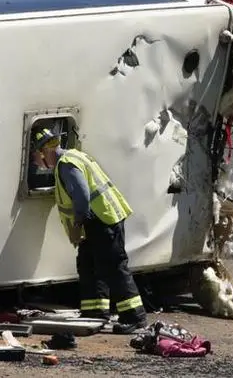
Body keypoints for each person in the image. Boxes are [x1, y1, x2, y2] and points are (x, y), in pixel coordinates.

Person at [32, 128, 148, 334]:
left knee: (114, 266)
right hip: (99, 218)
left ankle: (134, 316)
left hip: (101, 219)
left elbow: (83, 197)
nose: (36, 165)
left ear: (44, 153)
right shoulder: (75, 156)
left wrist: (77, 226)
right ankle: (95, 311)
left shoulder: (66, 165)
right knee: (88, 264)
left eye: (36, 159)